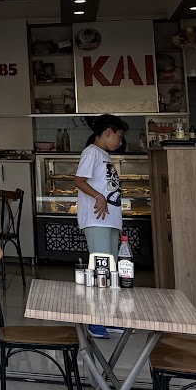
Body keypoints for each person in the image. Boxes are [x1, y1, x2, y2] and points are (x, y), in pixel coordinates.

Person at [75, 113, 129, 337]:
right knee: (100, 268)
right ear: (108, 132)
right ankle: (95, 320)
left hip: (109, 221)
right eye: (119, 136)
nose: (120, 141)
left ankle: (109, 316)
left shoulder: (104, 155)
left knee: (111, 268)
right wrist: (98, 196)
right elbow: (79, 180)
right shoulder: (91, 153)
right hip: (96, 220)